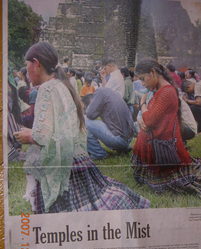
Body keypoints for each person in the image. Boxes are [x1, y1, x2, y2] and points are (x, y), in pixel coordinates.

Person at [14, 41, 149, 213]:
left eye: (27, 66)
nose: (26, 73)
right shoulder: (62, 85)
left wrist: (29, 135)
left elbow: (44, 136)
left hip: (64, 162)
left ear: (36, 64)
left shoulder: (46, 89)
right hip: (77, 158)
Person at [131, 58, 201, 195]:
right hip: (157, 143)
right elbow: (151, 119)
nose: (142, 84)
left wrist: (142, 104)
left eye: (143, 79)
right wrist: (145, 119)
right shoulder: (161, 90)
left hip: (162, 148)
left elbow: (149, 120)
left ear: (153, 72)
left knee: (169, 182)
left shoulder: (166, 92)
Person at [84, 87, 135, 159]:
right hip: (128, 138)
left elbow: (90, 114)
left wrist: (88, 108)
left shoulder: (99, 92)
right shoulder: (108, 92)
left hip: (120, 140)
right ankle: (123, 148)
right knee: (101, 124)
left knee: (84, 121)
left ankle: (98, 153)